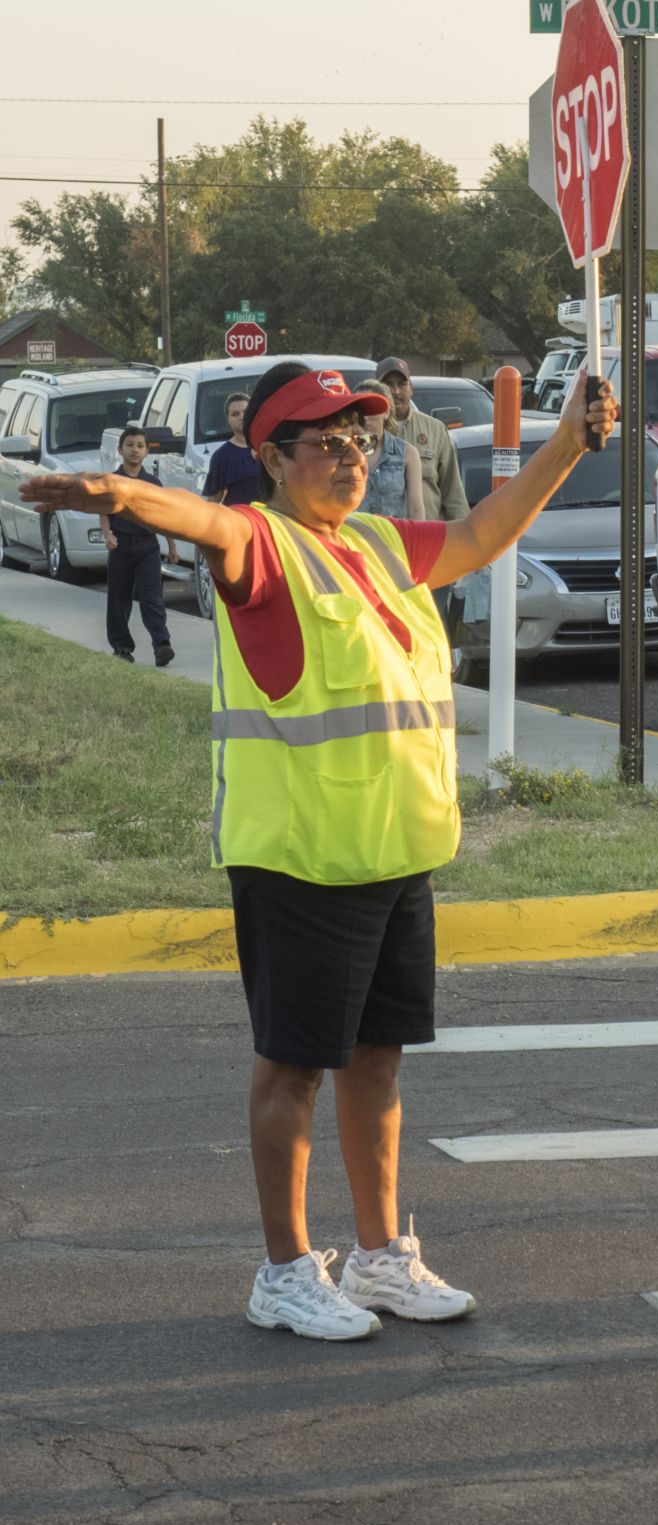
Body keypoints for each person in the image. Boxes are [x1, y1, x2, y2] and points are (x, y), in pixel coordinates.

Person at [24, 360, 620, 1343]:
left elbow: (479, 533)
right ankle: (285, 1272)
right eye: (327, 445)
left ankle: (383, 1258)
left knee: (376, 1062)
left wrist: (565, 442)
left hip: (392, 851)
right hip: (299, 858)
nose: (350, 460)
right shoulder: (265, 545)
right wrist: (123, 491)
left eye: (363, 443)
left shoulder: (382, 544)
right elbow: (212, 525)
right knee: (293, 1068)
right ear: (273, 458)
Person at [104, 425, 172, 666]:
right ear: (120, 449)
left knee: (151, 597)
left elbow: (163, 517)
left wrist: (171, 547)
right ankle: (122, 647)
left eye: (140, 446)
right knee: (118, 600)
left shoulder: (152, 482)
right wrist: (107, 535)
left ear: (147, 452)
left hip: (147, 547)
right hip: (120, 546)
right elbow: (104, 512)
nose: (135, 450)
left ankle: (162, 644)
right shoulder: (112, 480)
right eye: (130, 445)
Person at [376, 357, 468, 524]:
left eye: (401, 384)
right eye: (388, 384)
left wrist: (462, 537)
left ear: (411, 388)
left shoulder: (435, 429)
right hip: (381, 538)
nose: (395, 391)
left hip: (427, 537)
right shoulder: (366, 432)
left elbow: (452, 491)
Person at [355, 381, 425, 521]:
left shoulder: (407, 453)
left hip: (393, 539)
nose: (365, 417)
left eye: (371, 408)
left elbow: (416, 509)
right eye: (359, 410)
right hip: (353, 539)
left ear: (386, 412)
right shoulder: (344, 452)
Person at [203, 392, 265, 508]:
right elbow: (214, 500)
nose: (241, 417)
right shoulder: (222, 456)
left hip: (271, 520)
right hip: (239, 520)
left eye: (245, 412)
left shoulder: (268, 447)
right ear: (228, 419)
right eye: (235, 414)